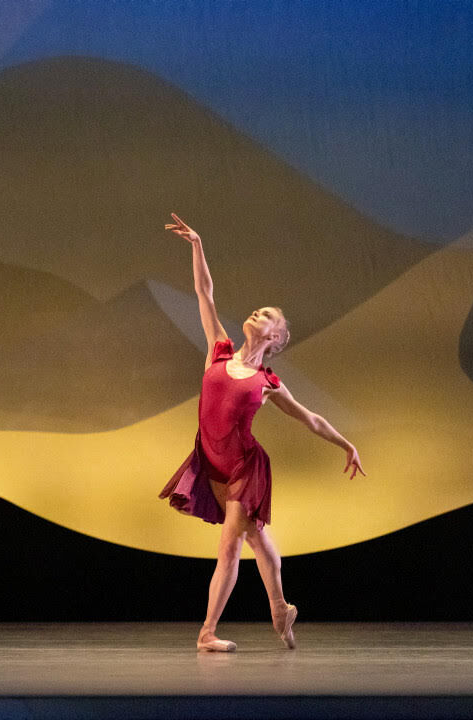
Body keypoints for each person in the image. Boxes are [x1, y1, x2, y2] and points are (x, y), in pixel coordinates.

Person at [159, 214, 365, 652]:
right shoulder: (218, 350)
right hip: (210, 460)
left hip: (244, 468)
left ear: (277, 337)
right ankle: (280, 609)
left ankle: (207, 633)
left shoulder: (267, 383)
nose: (257, 313)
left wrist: (346, 443)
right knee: (256, 537)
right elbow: (205, 294)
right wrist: (197, 243)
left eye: (267, 315)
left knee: (230, 545)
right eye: (257, 310)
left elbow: (310, 418)